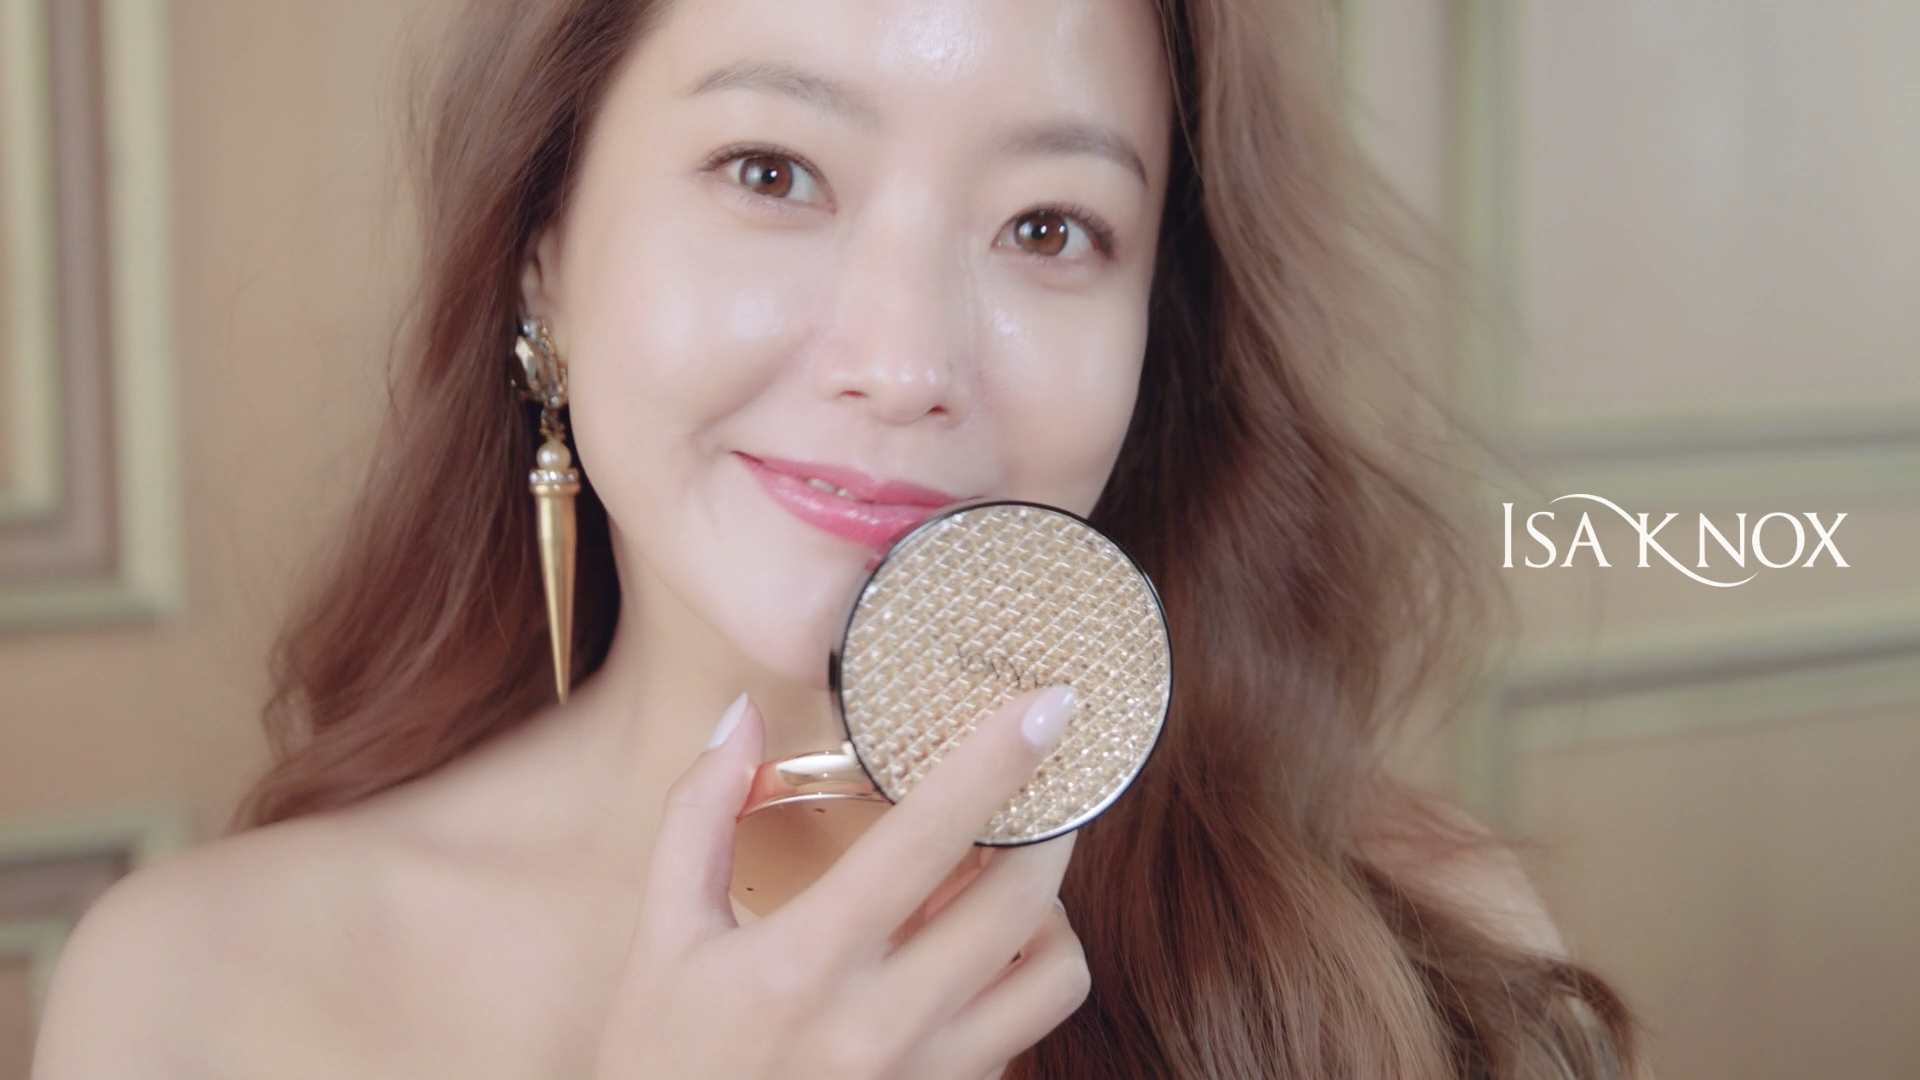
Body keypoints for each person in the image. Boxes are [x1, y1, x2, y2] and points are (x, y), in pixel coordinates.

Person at [34, 0, 1638, 1077]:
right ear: (542, 252)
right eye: (773, 170)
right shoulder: (197, 987)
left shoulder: (1402, 936)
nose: (907, 361)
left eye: (1049, 226)